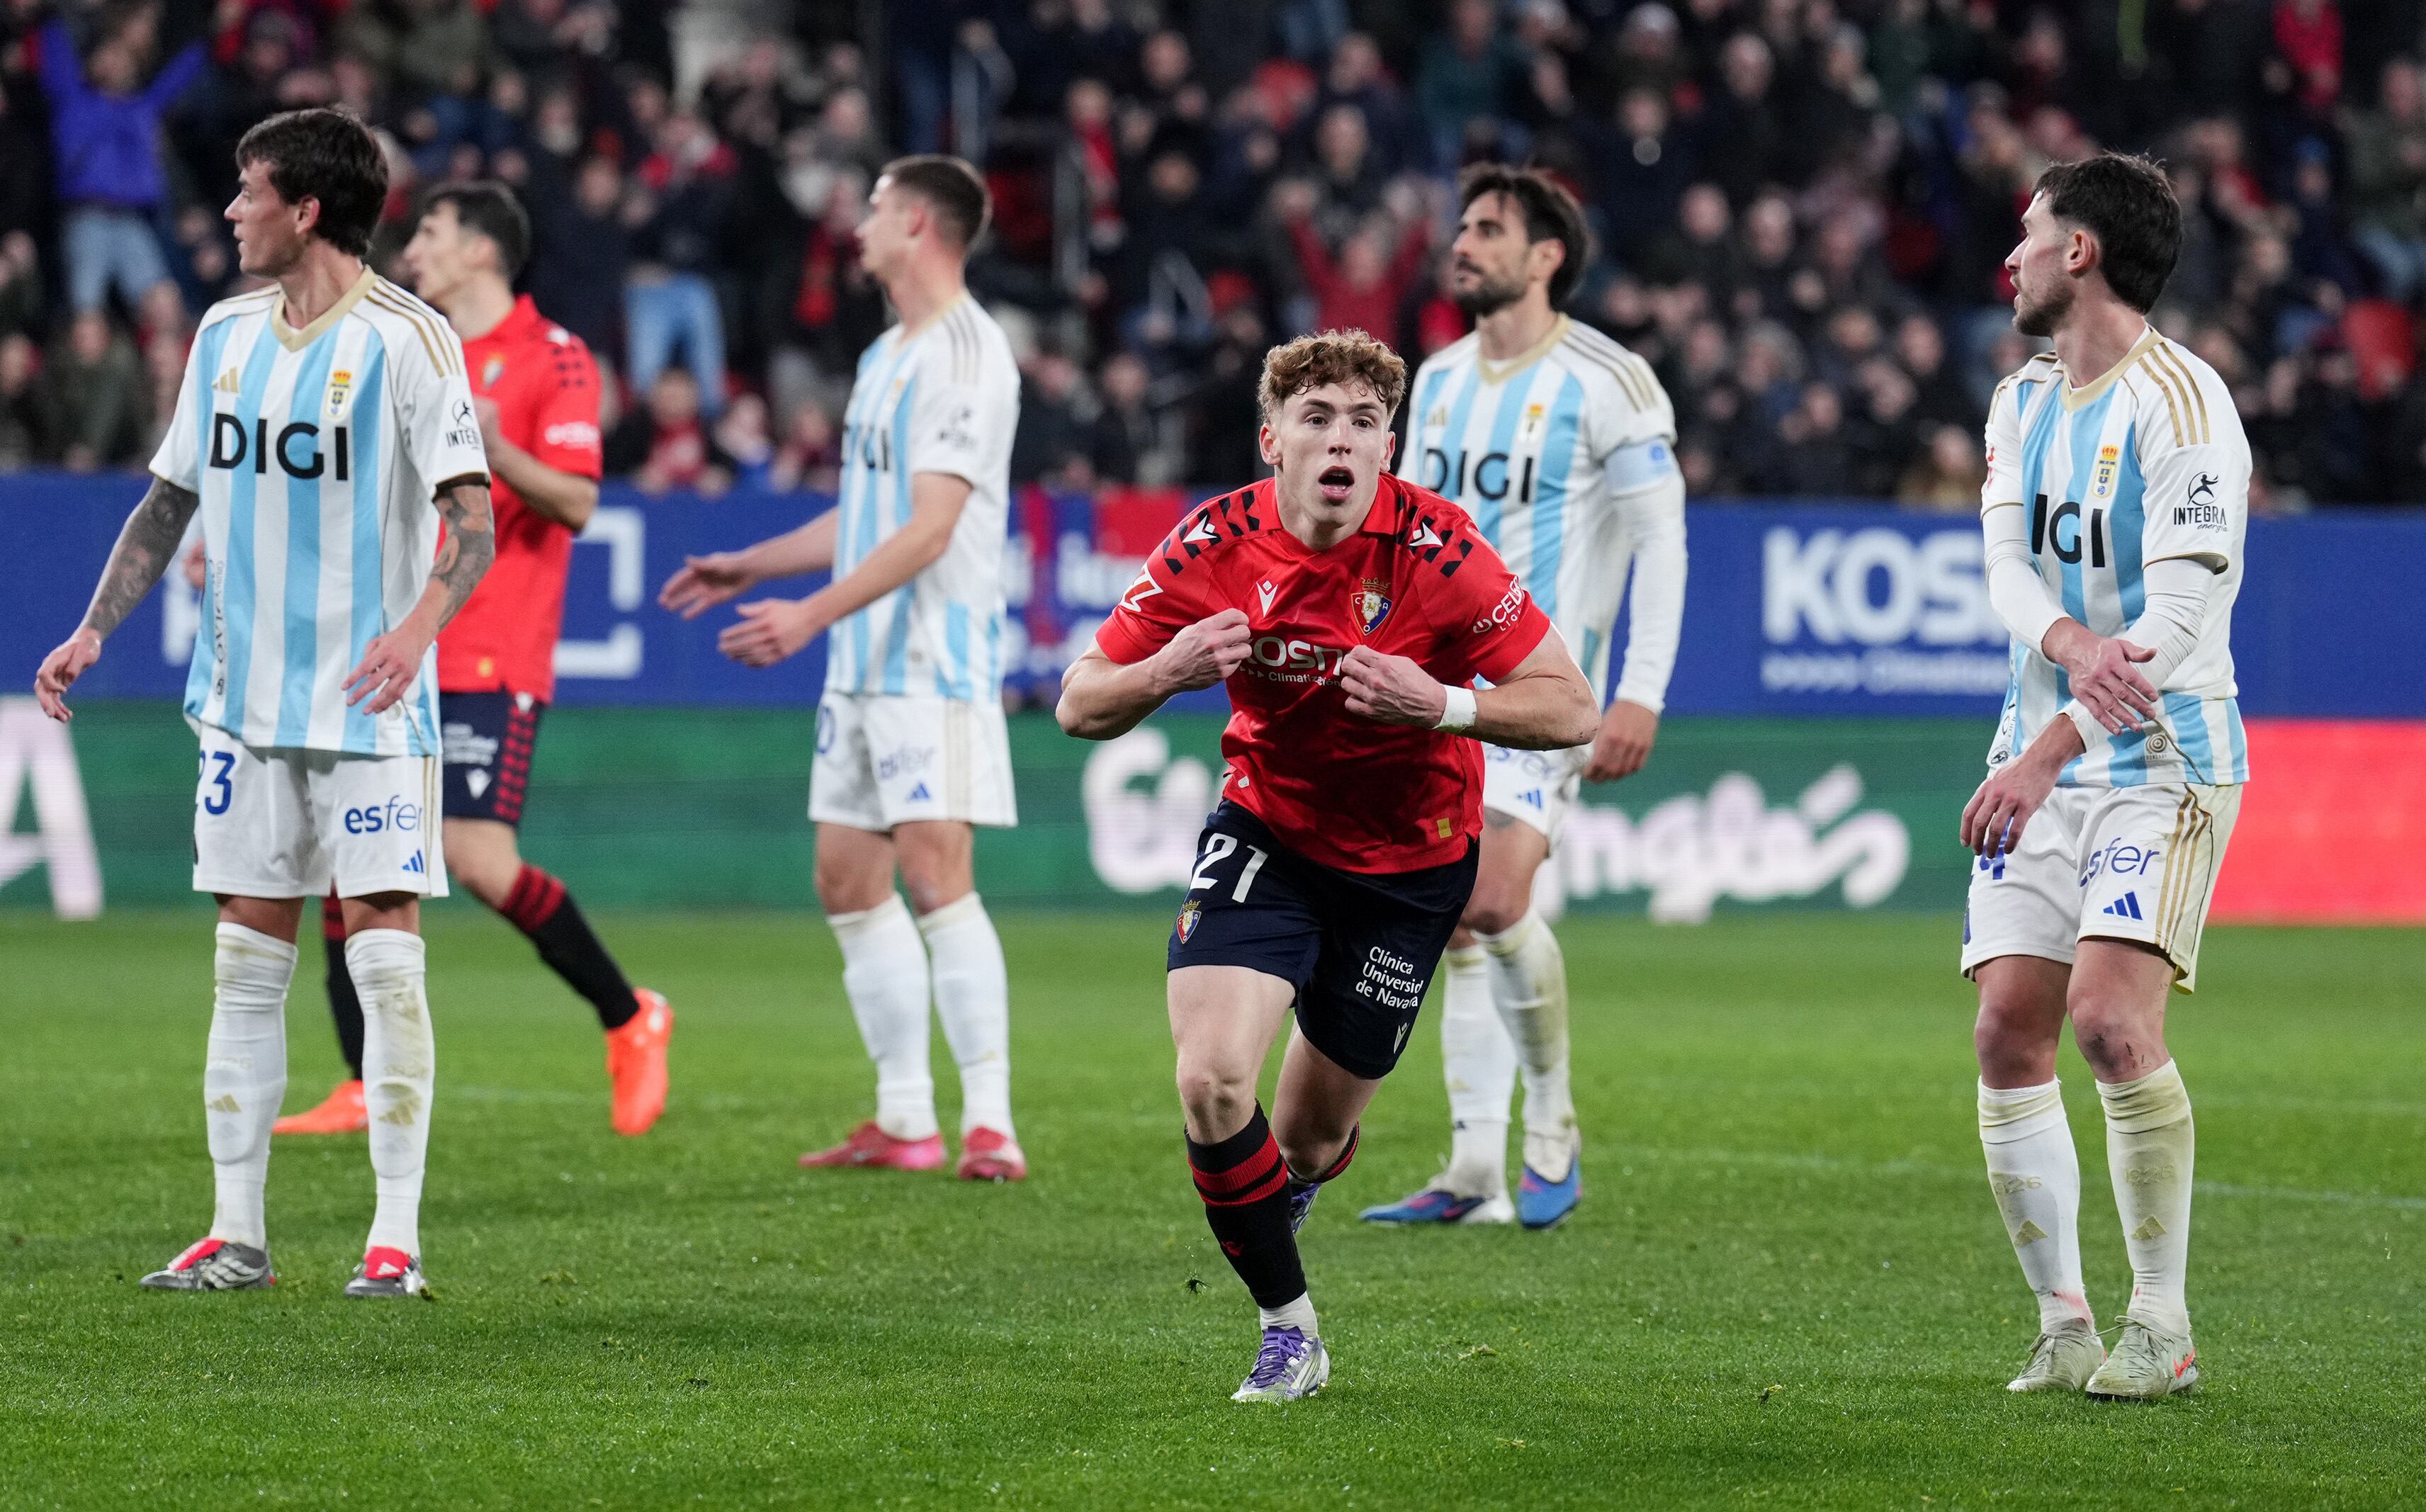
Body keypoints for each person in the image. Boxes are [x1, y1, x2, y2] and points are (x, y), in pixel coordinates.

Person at [1056, 329, 1598, 1401]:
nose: (1340, 440)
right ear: (1274, 443)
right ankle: (1290, 1329)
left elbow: (1570, 703)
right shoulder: (1215, 541)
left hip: (1411, 868)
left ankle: (1288, 1186)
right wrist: (1166, 668)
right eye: (1317, 419)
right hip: (1270, 833)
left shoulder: (1441, 554)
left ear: (1387, 448)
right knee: (1213, 1082)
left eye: (1362, 422)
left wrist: (1441, 702)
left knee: (1308, 1139)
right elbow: (1080, 698)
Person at [32, 108, 495, 1299]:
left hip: (368, 706)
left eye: (248, 193)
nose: (228, 212)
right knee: (246, 962)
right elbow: (167, 504)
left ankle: (393, 1239)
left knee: (387, 962)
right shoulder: (227, 334)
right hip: (242, 701)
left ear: (308, 210)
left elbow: (474, 524)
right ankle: (236, 1233)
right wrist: (94, 627)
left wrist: (413, 632)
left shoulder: (410, 340)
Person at [276, 181, 674, 1141]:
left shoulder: (555, 358)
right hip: (394, 640)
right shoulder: (409, 346)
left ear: (486, 252)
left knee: (473, 855)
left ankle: (630, 1015)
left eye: (437, 234)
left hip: (492, 647)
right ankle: (364, 1084)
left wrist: (492, 447)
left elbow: (577, 501)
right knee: (346, 857)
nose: (414, 249)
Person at [658, 157, 1028, 1181]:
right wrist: (754, 562)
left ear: (917, 223)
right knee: (847, 877)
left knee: (935, 871)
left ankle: (990, 1120)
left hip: (929, 660)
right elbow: (868, 515)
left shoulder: (967, 355)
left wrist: (807, 615)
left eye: (872, 208)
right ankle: (907, 1118)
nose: (857, 224)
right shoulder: (885, 355)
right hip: (863, 666)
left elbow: (932, 527)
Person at [1962, 152, 2250, 1401]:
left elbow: (2178, 620)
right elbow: (2007, 570)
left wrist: (2049, 745)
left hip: (2160, 764)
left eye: (2030, 235)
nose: (2011, 258)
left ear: (2080, 252)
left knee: (2109, 1022)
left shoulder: (2184, 407)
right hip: (2044, 746)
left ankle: (2163, 1323)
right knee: (2007, 1029)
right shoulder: (2020, 402)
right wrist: (2066, 647)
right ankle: (2063, 1320)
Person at [1364, 164, 1686, 1231]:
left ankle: (1551, 1119)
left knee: (1492, 898)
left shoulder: (1611, 380)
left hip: (1546, 688)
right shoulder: (1440, 379)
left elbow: (1662, 543)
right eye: (1461, 224)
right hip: (1434, 685)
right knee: (1457, 923)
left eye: (1488, 228)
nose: (1463, 240)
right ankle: (1470, 1172)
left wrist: (1637, 692)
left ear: (1547, 256)